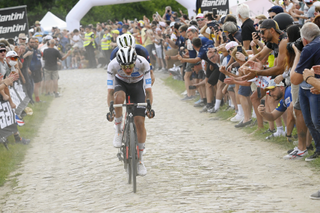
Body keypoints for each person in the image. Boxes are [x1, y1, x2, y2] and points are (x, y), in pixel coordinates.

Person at [107, 46, 153, 176]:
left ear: (135, 62)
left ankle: (140, 161)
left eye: (130, 66)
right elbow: (110, 92)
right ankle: (118, 131)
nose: (127, 70)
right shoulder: (113, 65)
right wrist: (111, 110)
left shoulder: (143, 62)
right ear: (119, 64)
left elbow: (148, 91)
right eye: (124, 67)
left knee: (140, 123)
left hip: (138, 86)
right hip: (121, 84)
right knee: (118, 97)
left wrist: (149, 107)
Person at [290, 22, 320, 161]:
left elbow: (294, 79)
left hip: (312, 87)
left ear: (304, 39)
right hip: (308, 86)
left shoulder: (309, 48)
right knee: (311, 121)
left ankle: (318, 150)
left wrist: (297, 53)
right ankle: (317, 149)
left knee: (314, 121)